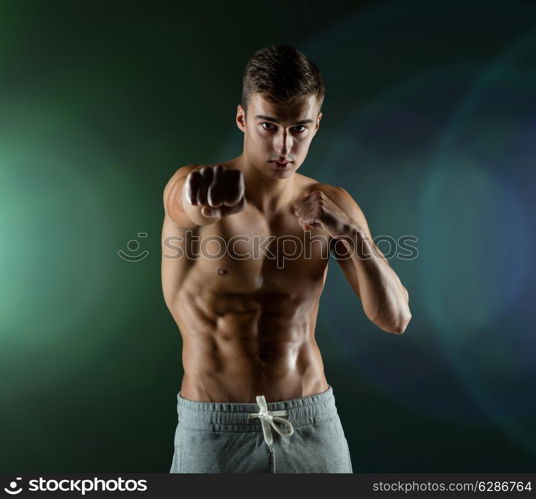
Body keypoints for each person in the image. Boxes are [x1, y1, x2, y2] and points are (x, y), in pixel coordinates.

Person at [161, 44, 411, 473]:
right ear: (242, 120)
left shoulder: (334, 204)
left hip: (312, 421)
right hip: (216, 430)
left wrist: (350, 235)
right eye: (267, 125)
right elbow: (183, 201)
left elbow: (395, 318)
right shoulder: (194, 184)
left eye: (298, 129)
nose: (283, 145)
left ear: (316, 124)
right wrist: (197, 200)